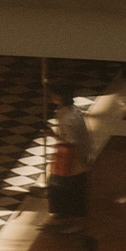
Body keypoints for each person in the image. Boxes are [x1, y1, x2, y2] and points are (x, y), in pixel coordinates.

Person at [48, 86, 93, 229]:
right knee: (73, 188)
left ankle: (70, 221)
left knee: (63, 187)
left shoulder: (67, 118)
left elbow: (71, 141)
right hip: (80, 155)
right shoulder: (72, 111)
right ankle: (64, 216)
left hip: (73, 159)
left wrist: (53, 135)